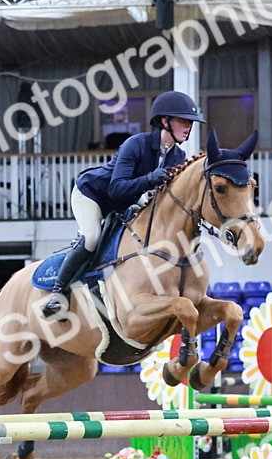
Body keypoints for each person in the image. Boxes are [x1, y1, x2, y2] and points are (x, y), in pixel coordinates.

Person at [41, 90, 205, 320]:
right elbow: (116, 188)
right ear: (165, 122)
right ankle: (58, 294)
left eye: (191, 123)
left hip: (127, 199)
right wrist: (149, 180)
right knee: (91, 238)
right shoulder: (136, 144)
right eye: (184, 121)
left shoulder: (178, 156)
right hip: (94, 194)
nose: (189, 127)